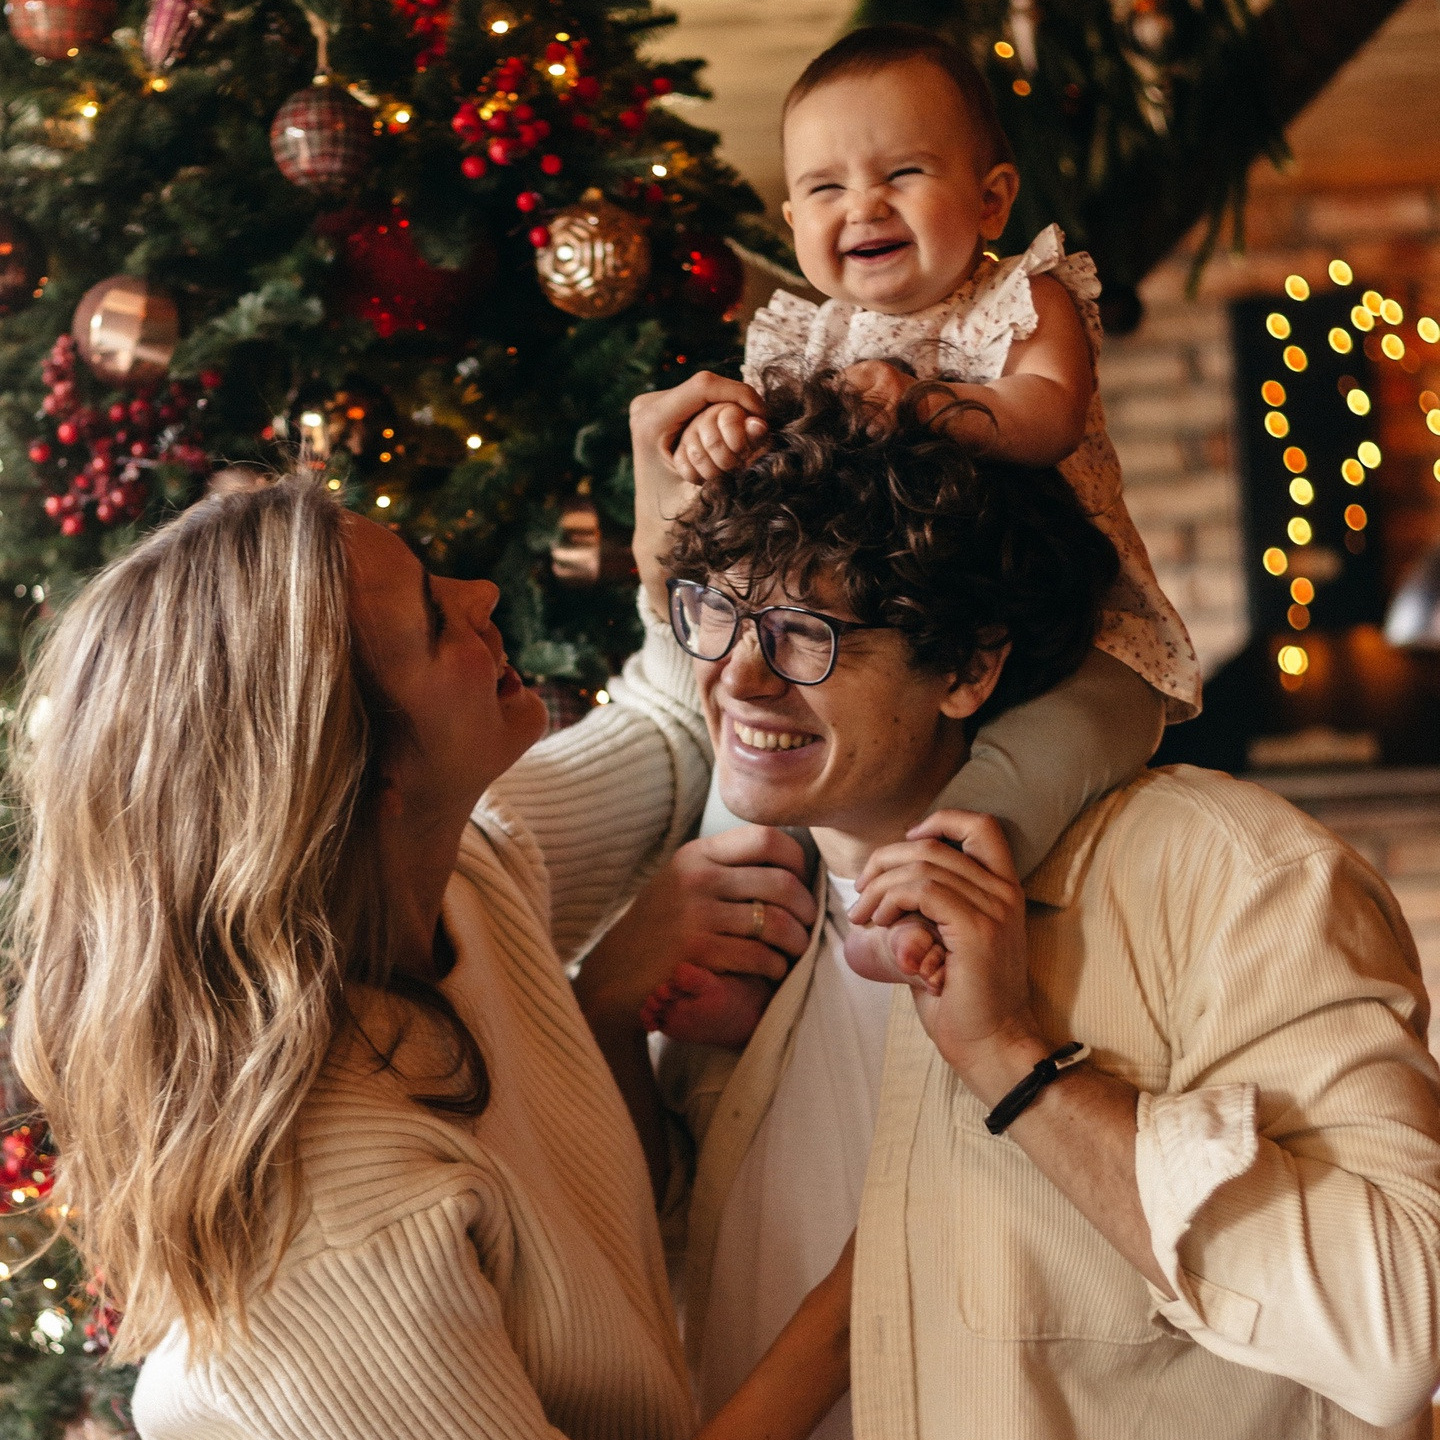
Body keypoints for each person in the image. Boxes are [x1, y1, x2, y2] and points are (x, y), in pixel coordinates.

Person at [591, 368, 1440, 1439]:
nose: (740, 678)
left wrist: (1015, 1064)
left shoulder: (1229, 875)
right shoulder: (742, 932)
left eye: (807, 631)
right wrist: (603, 1010)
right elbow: (655, 1265)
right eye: (716, 612)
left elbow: (1401, 1332)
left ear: (967, 667)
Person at [4, 477, 850, 1440]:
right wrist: (851, 1308)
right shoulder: (332, 1235)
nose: (482, 592)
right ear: (364, 776)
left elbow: (665, 732)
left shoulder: (446, 872)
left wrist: (673, 511)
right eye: (434, 618)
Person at [645, 24, 1199, 1044]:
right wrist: (719, 431)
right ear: (792, 219)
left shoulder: (1023, 299)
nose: (863, 206)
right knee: (754, 797)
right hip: (906, 643)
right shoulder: (808, 333)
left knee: (1026, 776)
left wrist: (923, 401)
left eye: (901, 173)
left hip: (1084, 632)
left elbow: (1047, 415)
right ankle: (749, 973)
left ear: (991, 200)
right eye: (825, 188)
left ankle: (919, 908)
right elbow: (772, 498)